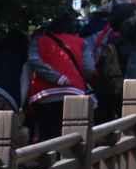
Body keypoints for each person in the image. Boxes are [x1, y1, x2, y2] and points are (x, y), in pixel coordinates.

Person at [27, 10, 95, 142]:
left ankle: (48, 155)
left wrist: (56, 77)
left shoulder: (39, 40)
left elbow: (34, 61)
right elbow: (89, 69)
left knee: (47, 136)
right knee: (72, 136)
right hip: (75, 92)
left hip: (44, 95)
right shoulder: (81, 43)